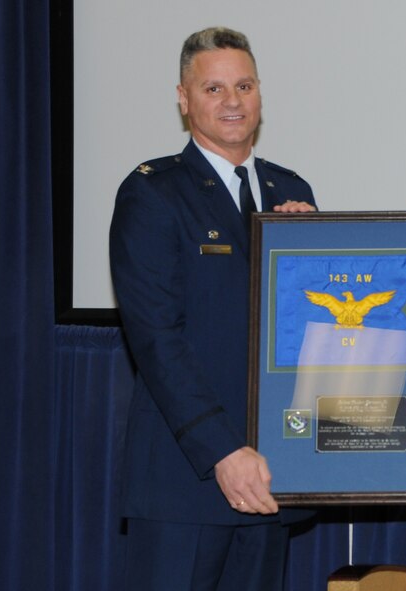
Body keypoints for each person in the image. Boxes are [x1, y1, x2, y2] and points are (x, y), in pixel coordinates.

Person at [109, 27, 316, 590]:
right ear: (183, 98)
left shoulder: (290, 191)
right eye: (214, 88)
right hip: (188, 479)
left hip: (273, 474)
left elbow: (312, 331)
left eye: (244, 86)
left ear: (259, 94)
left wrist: (309, 253)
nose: (232, 102)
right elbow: (157, 339)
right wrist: (223, 449)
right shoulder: (153, 193)